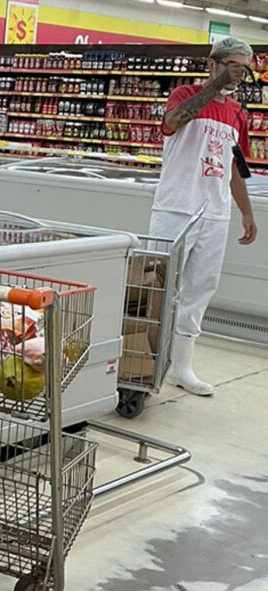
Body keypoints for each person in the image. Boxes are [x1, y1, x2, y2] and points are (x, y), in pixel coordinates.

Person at [153, 36, 259, 396]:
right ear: (212, 64)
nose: (238, 73)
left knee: (200, 287)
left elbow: (236, 167)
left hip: (216, 212)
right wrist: (215, 86)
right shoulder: (184, 95)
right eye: (232, 65)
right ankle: (148, 358)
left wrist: (246, 212)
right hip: (176, 206)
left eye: (243, 68)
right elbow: (171, 123)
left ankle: (181, 365)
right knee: (159, 284)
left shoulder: (238, 113)